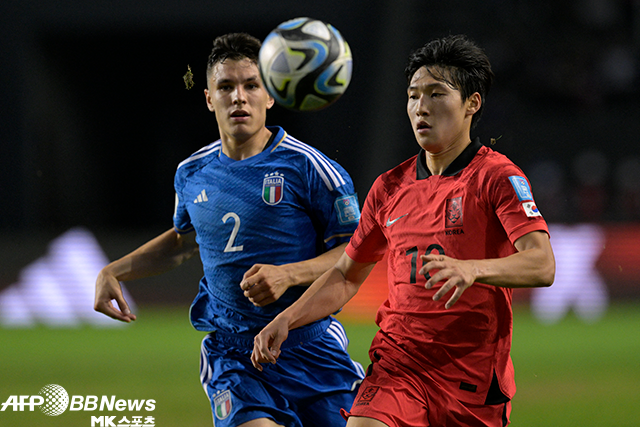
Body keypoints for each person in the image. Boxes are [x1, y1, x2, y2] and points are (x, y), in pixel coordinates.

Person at [252, 34, 556, 427]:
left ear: (472, 104)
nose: (420, 108)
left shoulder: (496, 177)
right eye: (413, 95)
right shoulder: (389, 188)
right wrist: (286, 319)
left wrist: (473, 269)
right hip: (399, 366)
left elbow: (542, 264)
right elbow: (346, 274)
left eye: (436, 94)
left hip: (472, 376)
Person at [94, 32, 365, 427]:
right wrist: (113, 270)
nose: (239, 97)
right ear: (209, 98)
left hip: (309, 348)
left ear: (270, 95)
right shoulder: (191, 172)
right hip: (233, 357)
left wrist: (288, 274)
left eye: (251, 85)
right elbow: (184, 241)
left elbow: (358, 250)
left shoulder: (310, 168)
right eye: (226, 86)